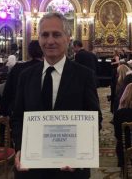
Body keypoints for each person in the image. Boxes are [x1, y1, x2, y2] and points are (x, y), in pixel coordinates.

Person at [11, 13, 102, 179]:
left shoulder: (84, 76)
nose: (50, 41)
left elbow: (95, 119)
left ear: (68, 38)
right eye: (45, 35)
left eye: (56, 34)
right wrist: (19, 148)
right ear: (39, 39)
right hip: (31, 169)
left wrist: (80, 155)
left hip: (70, 170)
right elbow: (18, 118)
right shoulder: (25, 76)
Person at [1, 40, 43, 117]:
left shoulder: (18, 68)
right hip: (40, 115)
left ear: (28, 53)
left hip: (18, 113)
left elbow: (7, 93)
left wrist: (4, 113)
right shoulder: (47, 69)